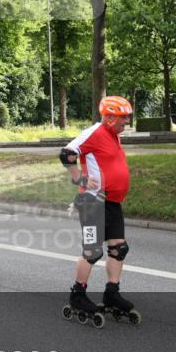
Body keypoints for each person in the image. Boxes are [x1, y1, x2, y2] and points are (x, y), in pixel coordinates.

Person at [59, 95, 140, 326]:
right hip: (93, 202)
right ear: (110, 117)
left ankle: (111, 293)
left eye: (127, 118)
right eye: (123, 118)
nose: (127, 122)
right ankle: (78, 294)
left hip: (112, 202)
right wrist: (79, 178)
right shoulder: (95, 132)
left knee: (118, 248)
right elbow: (67, 153)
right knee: (93, 252)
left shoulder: (114, 135)